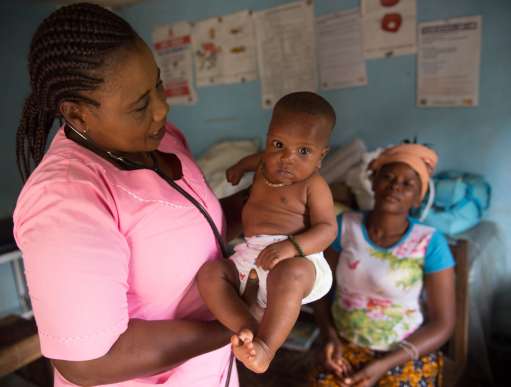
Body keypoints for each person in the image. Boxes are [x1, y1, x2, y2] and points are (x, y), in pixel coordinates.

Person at [13, 3, 255, 386]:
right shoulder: (65, 198)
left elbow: (192, 235)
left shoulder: (162, 139)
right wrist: (237, 327)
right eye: (140, 104)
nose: (162, 109)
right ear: (77, 115)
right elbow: (90, 359)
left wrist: (262, 203)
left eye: (157, 84)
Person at [197, 92, 338, 373]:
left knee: (289, 273)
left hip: (297, 259)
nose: (286, 158)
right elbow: (255, 160)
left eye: (303, 151)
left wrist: (291, 248)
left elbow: (327, 229)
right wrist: (239, 168)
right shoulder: (265, 164)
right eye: (278, 144)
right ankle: (246, 328)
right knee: (210, 273)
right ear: (268, 139)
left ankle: (266, 348)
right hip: (251, 256)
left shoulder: (314, 185)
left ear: (321, 156)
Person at [310, 144, 456, 387]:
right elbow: (319, 287)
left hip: (405, 353)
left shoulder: (430, 242)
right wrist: (328, 336)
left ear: (418, 195)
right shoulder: (344, 226)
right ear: (373, 180)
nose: (395, 186)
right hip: (343, 345)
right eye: (387, 177)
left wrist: (384, 365)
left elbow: (443, 323)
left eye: (407, 183)